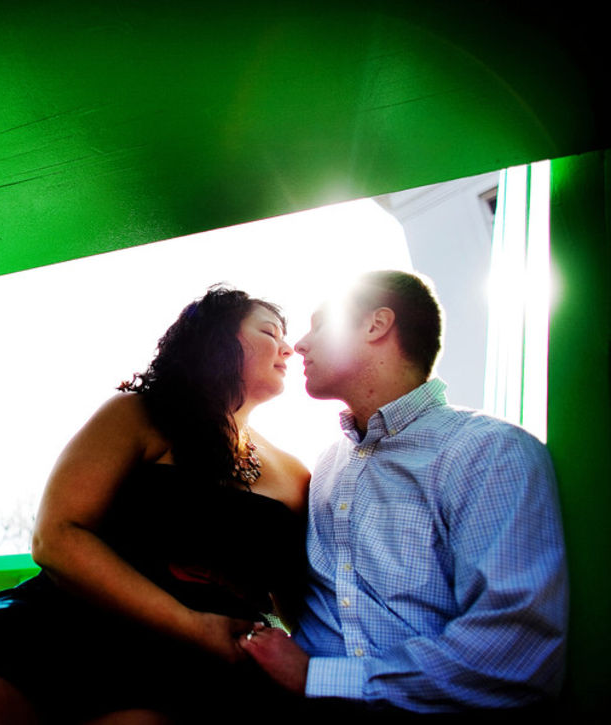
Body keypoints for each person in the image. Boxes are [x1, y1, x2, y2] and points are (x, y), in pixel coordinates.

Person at [0, 286, 310, 724]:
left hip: (199, 669)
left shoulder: (295, 474)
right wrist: (192, 623)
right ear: (218, 339)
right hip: (67, 623)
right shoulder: (138, 414)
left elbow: (306, 606)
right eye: (270, 332)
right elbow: (57, 536)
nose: (288, 348)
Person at [242, 270, 568, 716]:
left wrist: (314, 677)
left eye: (320, 325)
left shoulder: (490, 451)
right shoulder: (327, 466)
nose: (299, 344)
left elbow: (515, 655)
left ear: (376, 325)